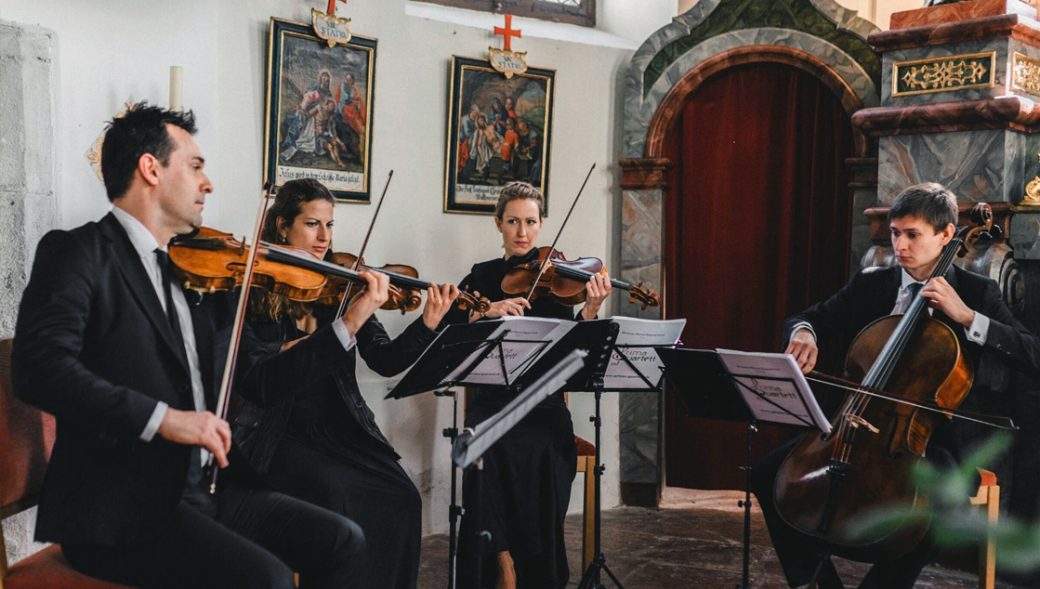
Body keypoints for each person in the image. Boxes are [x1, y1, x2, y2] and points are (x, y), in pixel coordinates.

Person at [11, 103, 375, 589]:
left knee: (343, 540)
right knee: (264, 578)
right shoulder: (78, 253)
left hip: (206, 486)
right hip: (122, 506)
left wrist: (340, 316)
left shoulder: (197, 275)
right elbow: (40, 368)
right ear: (150, 169)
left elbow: (257, 379)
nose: (208, 183)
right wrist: (166, 419)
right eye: (196, 166)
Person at [751, 182, 1040, 589]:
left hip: (939, 439)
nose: (900, 246)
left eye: (912, 234)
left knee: (934, 505)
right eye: (894, 233)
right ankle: (817, 582)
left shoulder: (978, 292)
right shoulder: (873, 284)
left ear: (945, 235)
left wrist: (968, 317)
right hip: (856, 425)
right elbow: (808, 317)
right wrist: (804, 332)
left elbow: (1032, 352)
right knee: (767, 473)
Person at [233, 178, 459, 589]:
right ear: (282, 225)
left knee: (404, 497)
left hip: (340, 427)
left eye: (330, 226)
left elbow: (386, 360)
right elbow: (259, 374)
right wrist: (337, 327)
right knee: (340, 497)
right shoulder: (256, 283)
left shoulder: (340, 285)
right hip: (279, 431)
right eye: (313, 224)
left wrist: (428, 323)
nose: (324, 238)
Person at [441, 181, 613, 589]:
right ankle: (499, 560)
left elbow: (576, 357)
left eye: (531, 222)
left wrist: (589, 309)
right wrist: (485, 313)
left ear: (540, 226)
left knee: (545, 450)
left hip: (544, 407)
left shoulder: (559, 283)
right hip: (493, 403)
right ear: (498, 223)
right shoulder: (481, 277)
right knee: (484, 443)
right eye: (513, 221)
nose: (522, 231)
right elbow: (447, 330)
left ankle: (533, 571)